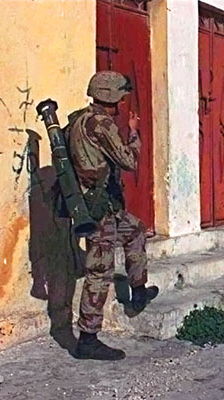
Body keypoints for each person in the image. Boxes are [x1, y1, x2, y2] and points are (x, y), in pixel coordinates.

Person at [65, 71, 159, 360]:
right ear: (109, 96)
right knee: (99, 271)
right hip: (96, 208)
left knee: (136, 230)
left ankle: (138, 289)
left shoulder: (79, 118)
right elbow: (128, 161)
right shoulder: (101, 124)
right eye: (119, 95)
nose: (121, 101)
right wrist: (133, 133)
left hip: (102, 204)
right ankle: (88, 339)